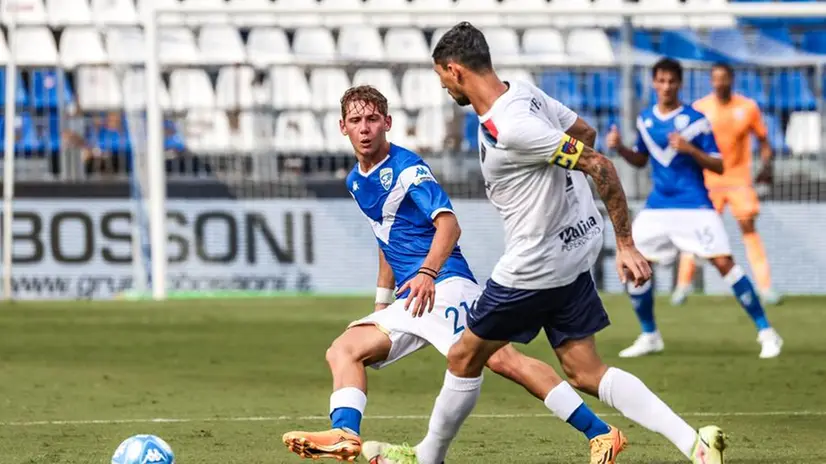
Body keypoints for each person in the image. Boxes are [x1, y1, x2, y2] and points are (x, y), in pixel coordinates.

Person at [363, 23, 727, 464]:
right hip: (572, 254)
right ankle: (695, 443)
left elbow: (599, 163)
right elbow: (585, 132)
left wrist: (626, 244)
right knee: (585, 371)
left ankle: (427, 457)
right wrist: (563, 202)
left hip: (532, 265)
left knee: (463, 357)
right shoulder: (524, 92)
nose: (442, 85)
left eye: (441, 76)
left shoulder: (511, 125)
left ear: (454, 70)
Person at [281, 85, 625, 463]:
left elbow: (449, 225)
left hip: (444, 286)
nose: (365, 128)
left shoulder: (407, 169)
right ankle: (345, 433)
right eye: (356, 121)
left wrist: (428, 272)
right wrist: (381, 304)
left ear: (388, 123)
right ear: (342, 127)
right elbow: (386, 239)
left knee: (503, 361)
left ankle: (601, 433)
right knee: (344, 350)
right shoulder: (356, 180)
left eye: (373, 119)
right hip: (413, 295)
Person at [605, 57, 783, 360]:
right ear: (653, 83)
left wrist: (690, 150)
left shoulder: (696, 119)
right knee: (631, 262)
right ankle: (650, 335)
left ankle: (767, 332)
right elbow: (641, 159)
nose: (666, 87)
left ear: (679, 84)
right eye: (660, 81)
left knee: (724, 263)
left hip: (694, 205)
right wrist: (620, 148)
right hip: (658, 206)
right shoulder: (645, 119)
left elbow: (718, 163)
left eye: (671, 81)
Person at [671, 62, 782, 306]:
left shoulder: (748, 107)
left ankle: (765, 287)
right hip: (708, 180)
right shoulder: (701, 108)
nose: (720, 82)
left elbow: (764, 140)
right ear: (712, 81)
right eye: (716, 78)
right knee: (697, 231)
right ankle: (682, 285)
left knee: (748, 227)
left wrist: (766, 165)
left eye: (724, 78)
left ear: (731, 80)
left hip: (739, 178)